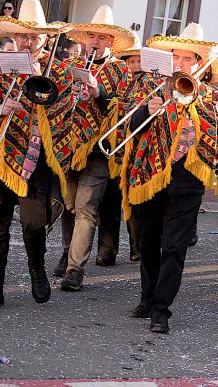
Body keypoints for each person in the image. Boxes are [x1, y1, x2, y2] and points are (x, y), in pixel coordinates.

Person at [121, 22, 218, 333]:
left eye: (187, 59)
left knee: (175, 247)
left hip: (187, 181)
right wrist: (147, 110)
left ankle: (161, 309)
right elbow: (131, 127)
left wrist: (193, 109)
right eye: (175, 58)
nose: (180, 64)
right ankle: (147, 296)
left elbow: (217, 137)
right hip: (151, 174)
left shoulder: (210, 96)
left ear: (198, 62)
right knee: (148, 241)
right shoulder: (151, 88)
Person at [0, 0, 73, 306]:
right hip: (3, 154)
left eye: (34, 36)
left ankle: (36, 269)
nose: (27, 42)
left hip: (38, 157)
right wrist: (0, 107)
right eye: (23, 35)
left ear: (45, 39)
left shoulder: (61, 71)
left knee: (33, 223)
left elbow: (66, 112)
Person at [56, 5, 135, 288]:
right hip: (68, 146)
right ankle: (68, 254)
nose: (95, 42)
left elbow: (125, 109)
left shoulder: (122, 70)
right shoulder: (71, 67)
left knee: (86, 208)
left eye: (102, 38)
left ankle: (75, 269)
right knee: (68, 206)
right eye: (91, 36)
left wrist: (98, 93)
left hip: (99, 150)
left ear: (111, 42)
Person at [94, 32, 144, 265]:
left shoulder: (151, 83)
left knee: (133, 201)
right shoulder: (114, 77)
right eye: (130, 61)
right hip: (112, 145)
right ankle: (107, 250)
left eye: (138, 60)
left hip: (137, 150)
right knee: (109, 201)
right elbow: (105, 103)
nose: (134, 64)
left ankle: (137, 247)